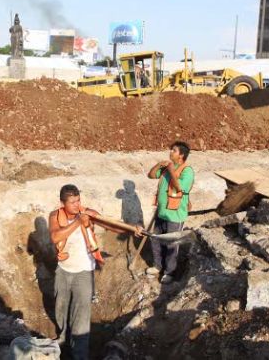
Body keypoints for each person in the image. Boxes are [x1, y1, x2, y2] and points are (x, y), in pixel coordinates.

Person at [49, 184, 142, 360]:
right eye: (72, 202)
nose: (77, 205)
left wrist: (132, 229)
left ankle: (79, 354)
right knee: (60, 307)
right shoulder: (55, 216)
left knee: (81, 315)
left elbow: (113, 226)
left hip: (84, 271)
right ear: (62, 203)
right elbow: (55, 236)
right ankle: (62, 341)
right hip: (63, 271)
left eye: (78, 201)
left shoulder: (88, 213)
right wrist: (78, 222)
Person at [146, 141, 194, 284]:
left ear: (181, 155)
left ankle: (170, 272)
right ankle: (157, 266)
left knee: (172, 243)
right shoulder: (167, 168)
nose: (170, 152)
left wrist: (171, 169)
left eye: (174, 150)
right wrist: (158, 165)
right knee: (155, 238)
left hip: (175, 214)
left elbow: (179, 187)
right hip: (161, 212)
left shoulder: (187, 171)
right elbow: (151, 175)